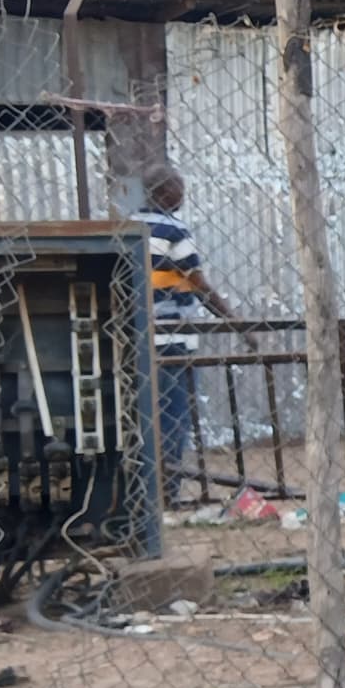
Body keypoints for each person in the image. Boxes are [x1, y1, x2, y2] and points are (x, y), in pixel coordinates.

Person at [133, 163, 245, 501]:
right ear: (165, 192)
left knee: (141, 416)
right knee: (172, 417)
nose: (183, 193)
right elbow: (199, 284)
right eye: (178, 187)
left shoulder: (129, 225)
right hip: (171, 338)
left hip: (136, 337)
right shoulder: (173, 231)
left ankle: (142, 491)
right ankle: (166, 492)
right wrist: (237, 324)